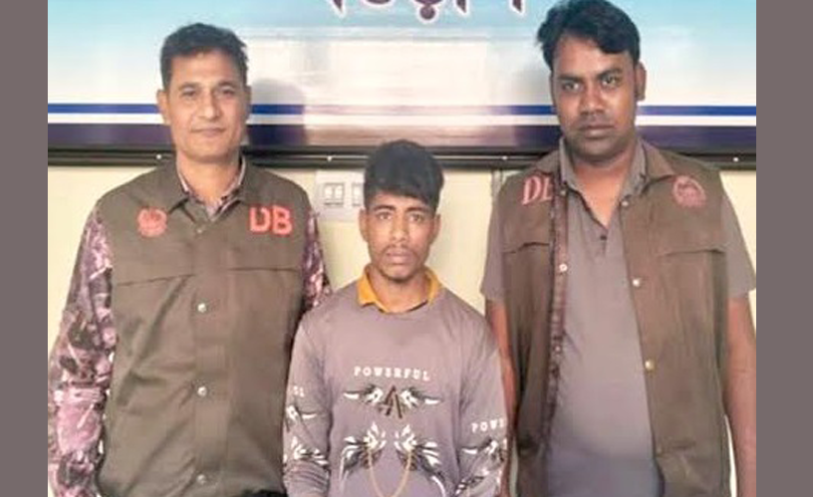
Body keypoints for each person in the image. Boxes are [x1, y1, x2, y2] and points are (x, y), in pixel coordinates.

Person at [481, 1, 757, 497]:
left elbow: (741, 356)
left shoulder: (700, 196)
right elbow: (499, 361)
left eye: (608, 80)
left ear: (639, 81)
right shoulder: (517, 204)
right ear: (552, 92)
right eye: (572, 85)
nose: (590, 103)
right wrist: (494, 484)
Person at [47, 23, 330, 497]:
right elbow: (78, 372)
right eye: (190, 93)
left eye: (225, 91)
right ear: (164, 105)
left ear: (247, 101)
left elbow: (320, 363)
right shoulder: (115, 217)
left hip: (260, 486)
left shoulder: (291, 211)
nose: (209, 110)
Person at [283, 140, 507, 497]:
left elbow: (484, 472)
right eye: (385, 215)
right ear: (363, 223)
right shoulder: (319, 330)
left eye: (415, 216)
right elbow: (303, 465)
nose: (399, 234)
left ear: (435, 227)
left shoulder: (471, 336)